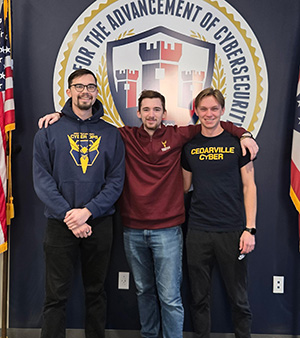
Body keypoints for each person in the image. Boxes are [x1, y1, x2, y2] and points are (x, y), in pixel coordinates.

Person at [39, 89, 258, 338]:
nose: (151, 114)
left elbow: (212, 124)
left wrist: (244, 133)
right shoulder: (124, 135)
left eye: (156, 109)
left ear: (164, 113)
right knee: (144, 291)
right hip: (133, 230)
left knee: (170, 298)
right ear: (138, 113)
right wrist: (62, 116)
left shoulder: (178, 134)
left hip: (168, 230)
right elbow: (90, 124)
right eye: (146, 109)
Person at [33, 68, 125, 338]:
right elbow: (42, 180)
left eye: (91, 87)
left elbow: (116, 181)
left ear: (97, 92)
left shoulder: (111, 134)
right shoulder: (48, 132)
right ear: (69, 90)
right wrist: (70, 216)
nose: (86, 91)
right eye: (79, 86)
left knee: (96, 292)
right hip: (60, 224)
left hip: (99, 222)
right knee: (55, 296)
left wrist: (87, 212)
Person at [181, 88, 256, 338]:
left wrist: (250, 229)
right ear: (196, 112)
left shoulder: (238, 144)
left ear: (222, 111)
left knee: (239, 299)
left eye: (214, 109)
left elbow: (250, 187)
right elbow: (184, 187)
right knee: (199, 298)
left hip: (232, 231)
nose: (209, 114)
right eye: (203, 109)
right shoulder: (189, 147)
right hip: (198, 231)